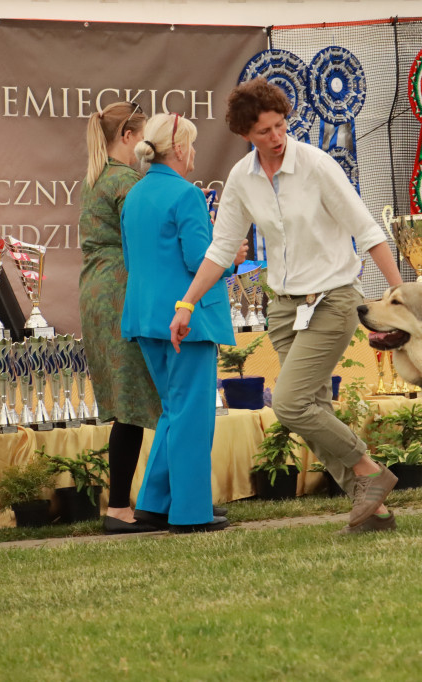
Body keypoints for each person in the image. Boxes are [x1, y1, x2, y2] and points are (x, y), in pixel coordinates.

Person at [171, 78, 405, 533]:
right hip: (283, 309)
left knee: (292, 404)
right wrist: (187, 303)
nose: (276, 137)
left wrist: (401, 298)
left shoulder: (317, 165)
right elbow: (221, 248)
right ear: (245, 134)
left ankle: (370, 473)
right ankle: (372, 512)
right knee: (315, 408)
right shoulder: (241, 177)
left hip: (335, 299)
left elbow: (368, 230)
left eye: (281, 125)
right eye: (264, 131)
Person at [121, 112, 248, 534]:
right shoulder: (187, 196)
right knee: (192, 415)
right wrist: (230, 255)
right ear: (178, 149)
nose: (194, 153)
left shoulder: (135, 195)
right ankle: (191, 512)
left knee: (174, 412)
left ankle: (155, 504)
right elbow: (200, 260)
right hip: (187, 320)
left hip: (144, 317)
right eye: (191, 144)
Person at [78, 101, 163, 534]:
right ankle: (120, 509)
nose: (147, 145)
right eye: (143, 136)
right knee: (133, 404)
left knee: (125, 404)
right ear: (128, 136)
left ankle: (135, 504)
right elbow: (150, 235)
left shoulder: (96, 179)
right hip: (121, 291)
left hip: (95, 290)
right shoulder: (127, 180)